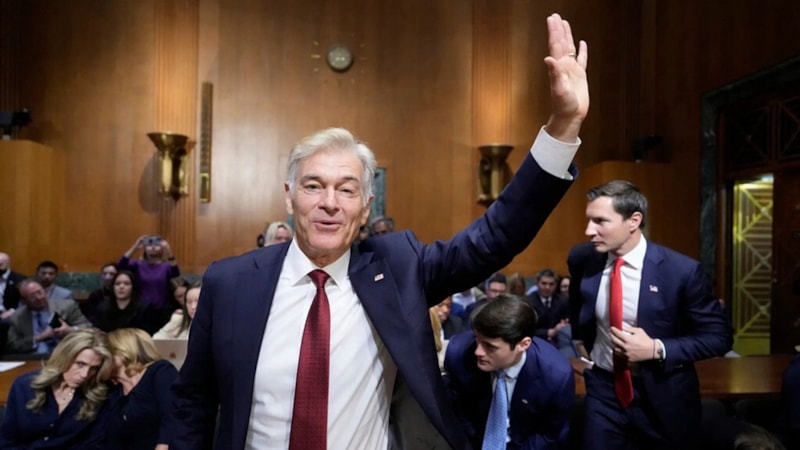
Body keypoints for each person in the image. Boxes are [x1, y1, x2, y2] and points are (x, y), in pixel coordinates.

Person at [171, 13, 588, 450]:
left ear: (366, 206)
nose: (330, 202)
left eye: (346, 189)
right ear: (289, 197)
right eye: (313, 186)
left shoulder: (399, 269)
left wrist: (563, 125)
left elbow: (495, 236)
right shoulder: (231, 282)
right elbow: (193, 400)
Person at [567, 179, 733, 449]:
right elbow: (578, 301)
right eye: (589, 219)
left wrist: (657, 349)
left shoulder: (681, 271)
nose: (589, 230)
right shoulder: (582, 258)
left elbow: (719, 338)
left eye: (600, 221)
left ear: (633, 221)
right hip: (604, 389)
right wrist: (579, 339)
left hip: (663, 394)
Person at [444, 294, 574, 449]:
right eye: (477, 339)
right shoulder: (458, 354)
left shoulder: (556, 376)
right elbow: (459, 412)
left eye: (490, 347)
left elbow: (549, 434)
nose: (478, 351)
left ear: (523, 345)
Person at [0, 328, 112, 449]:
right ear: (63, 357)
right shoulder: (24, 386)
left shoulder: (98, 396)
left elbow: (95, 444)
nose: (85, 374)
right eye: (80, 364)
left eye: (94, 368)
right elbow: (7, 441)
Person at [103, 328, 178, 450]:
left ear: (122, 351)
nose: (102, 359)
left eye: (107, 353)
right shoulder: (113, 389)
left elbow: (172, 418)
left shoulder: (159, 372)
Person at [6, 279, 92, 355]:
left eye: (39, 292)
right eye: (32, 296)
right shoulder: (17, 317)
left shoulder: (66, 306)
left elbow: (89, 328)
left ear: (45, 291)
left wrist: (70, 330)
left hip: (65, 355)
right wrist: (40, 337)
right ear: (23, 301)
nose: (39, 298)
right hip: (33, 358)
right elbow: (13, 345)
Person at [118, 235, 180, 326]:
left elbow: (176, 273)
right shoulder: (138, 264)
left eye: (157, 245)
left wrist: (168, 250)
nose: (153, 247)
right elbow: (121, 265)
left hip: (161, 309)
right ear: (145, 248)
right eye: (149, 245)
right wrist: (135, 246)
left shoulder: (166, 266)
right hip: (141, 309)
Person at [94, 271, 161, 335]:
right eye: (117, 284)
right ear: (113, 287)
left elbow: (147, 334)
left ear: (133, 287)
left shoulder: (144, 308)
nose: (121, 287)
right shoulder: (102, 308)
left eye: (126, 284)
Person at [0, 251, 26, 318]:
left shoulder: (20, 280)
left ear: (8, 264)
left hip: (9, 314)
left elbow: (25, 301)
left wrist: (12, 311)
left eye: (0, 264)